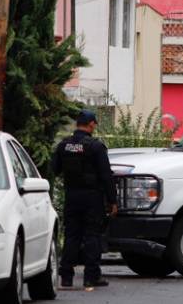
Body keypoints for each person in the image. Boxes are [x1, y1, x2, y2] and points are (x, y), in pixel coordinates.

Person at [51, 110, 118, 290]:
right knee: (92, 236)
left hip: (71, 196)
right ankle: (91, 277)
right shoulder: (95, 147)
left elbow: (55, 169)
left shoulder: (64, 145)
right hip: (92, 197)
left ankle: (66, 277)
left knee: (72, 235)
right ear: (91, 124)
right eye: (94, 124)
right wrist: (113, 201)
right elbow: (106, 176)